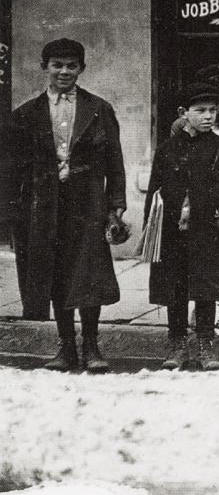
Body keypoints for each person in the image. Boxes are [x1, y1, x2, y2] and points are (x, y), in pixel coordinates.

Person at [7, 38, 128, 372]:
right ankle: (65, 348)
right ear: (44, 67)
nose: (64, 71)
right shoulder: (26, 114)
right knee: (56, 275)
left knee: (88, 275)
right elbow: (12, 169)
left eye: (71, 65)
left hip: (88, 204)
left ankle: (91, 347)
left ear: (81, 69)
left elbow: (115, 161)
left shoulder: (99, 109)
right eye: (57, 65)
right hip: (44, 207)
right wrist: (14, 213)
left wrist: (116, 206)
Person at [146, 83, 219, 370]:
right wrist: (152, 231)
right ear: (183, 113)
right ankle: (177, 344)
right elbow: (155, 190)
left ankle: (205, 343)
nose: (208, 117)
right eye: (200, 111)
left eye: (213, 111)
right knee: (174, 288)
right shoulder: (167, 150)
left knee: (206, 289)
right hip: (172, 233)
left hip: (209, 233)